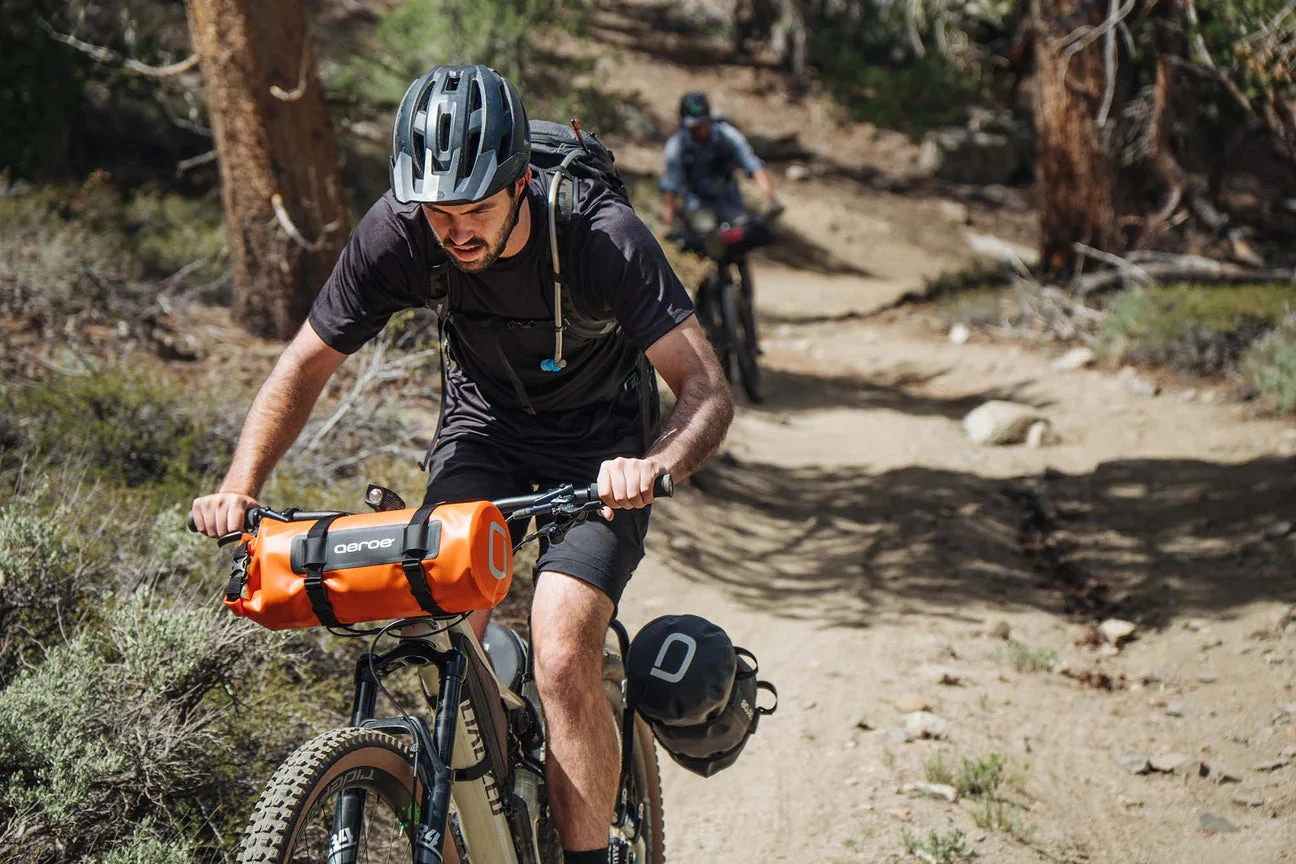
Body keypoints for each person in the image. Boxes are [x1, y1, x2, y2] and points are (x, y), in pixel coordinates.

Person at [190, 64, 733, 864]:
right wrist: (240, 488)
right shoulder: (402, 229)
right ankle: (483, 811)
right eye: (440, 213)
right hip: (484, 433)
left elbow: (706, 388)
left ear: (519, 183)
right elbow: (304, 363)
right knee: (439, 627)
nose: (457, 231)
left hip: (602, 449)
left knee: (561, 651)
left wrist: (654, 466)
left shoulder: (597, 233)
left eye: (476, 208)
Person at [660, 90, 777, 231]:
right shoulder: (677, 146)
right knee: (706, 230)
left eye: (701, 124)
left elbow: (754, 167)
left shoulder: (727, 136)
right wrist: (667, 226)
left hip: (730, 204)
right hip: (698, 207)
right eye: (693, 127)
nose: (698, 130)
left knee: (748, 231)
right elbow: (670, 188)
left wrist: (771, 200)